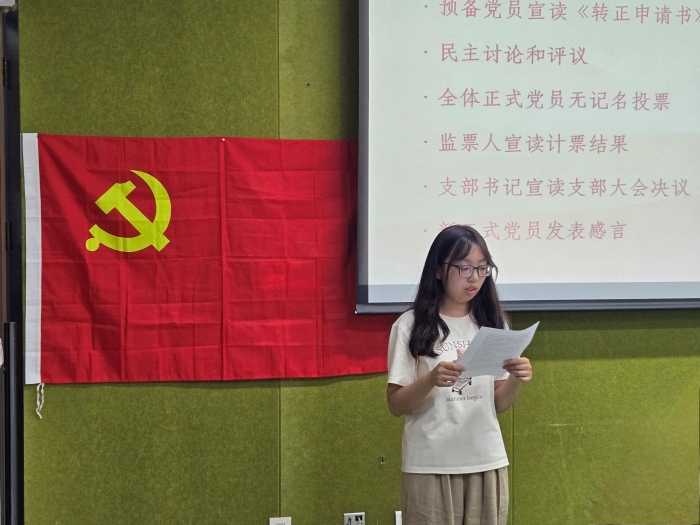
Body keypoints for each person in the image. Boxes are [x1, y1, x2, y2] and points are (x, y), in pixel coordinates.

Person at [386, 224, 532, 525]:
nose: (475, 277)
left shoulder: (493, 323)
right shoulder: (410, 325)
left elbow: (498, 403)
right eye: (464, 268)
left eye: (482, 268)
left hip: (485, 458)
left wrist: (516, 378)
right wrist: (431, 379)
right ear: (439, 270)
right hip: (431, 462)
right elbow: (396, 404)